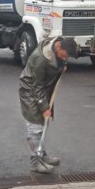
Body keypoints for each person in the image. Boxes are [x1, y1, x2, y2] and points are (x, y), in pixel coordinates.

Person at [19, 35, 78, 173]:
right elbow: (36, 86)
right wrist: (44, 107)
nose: (65, 59)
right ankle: (35, 162)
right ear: (58, 47)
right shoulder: (40, 59)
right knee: (35, 126)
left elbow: (59, 61)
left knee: (43, 123)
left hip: (44, 89)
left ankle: (42, 156)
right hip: (30, 90)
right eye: (65, 56)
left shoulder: (60, 46)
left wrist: (60, 68)